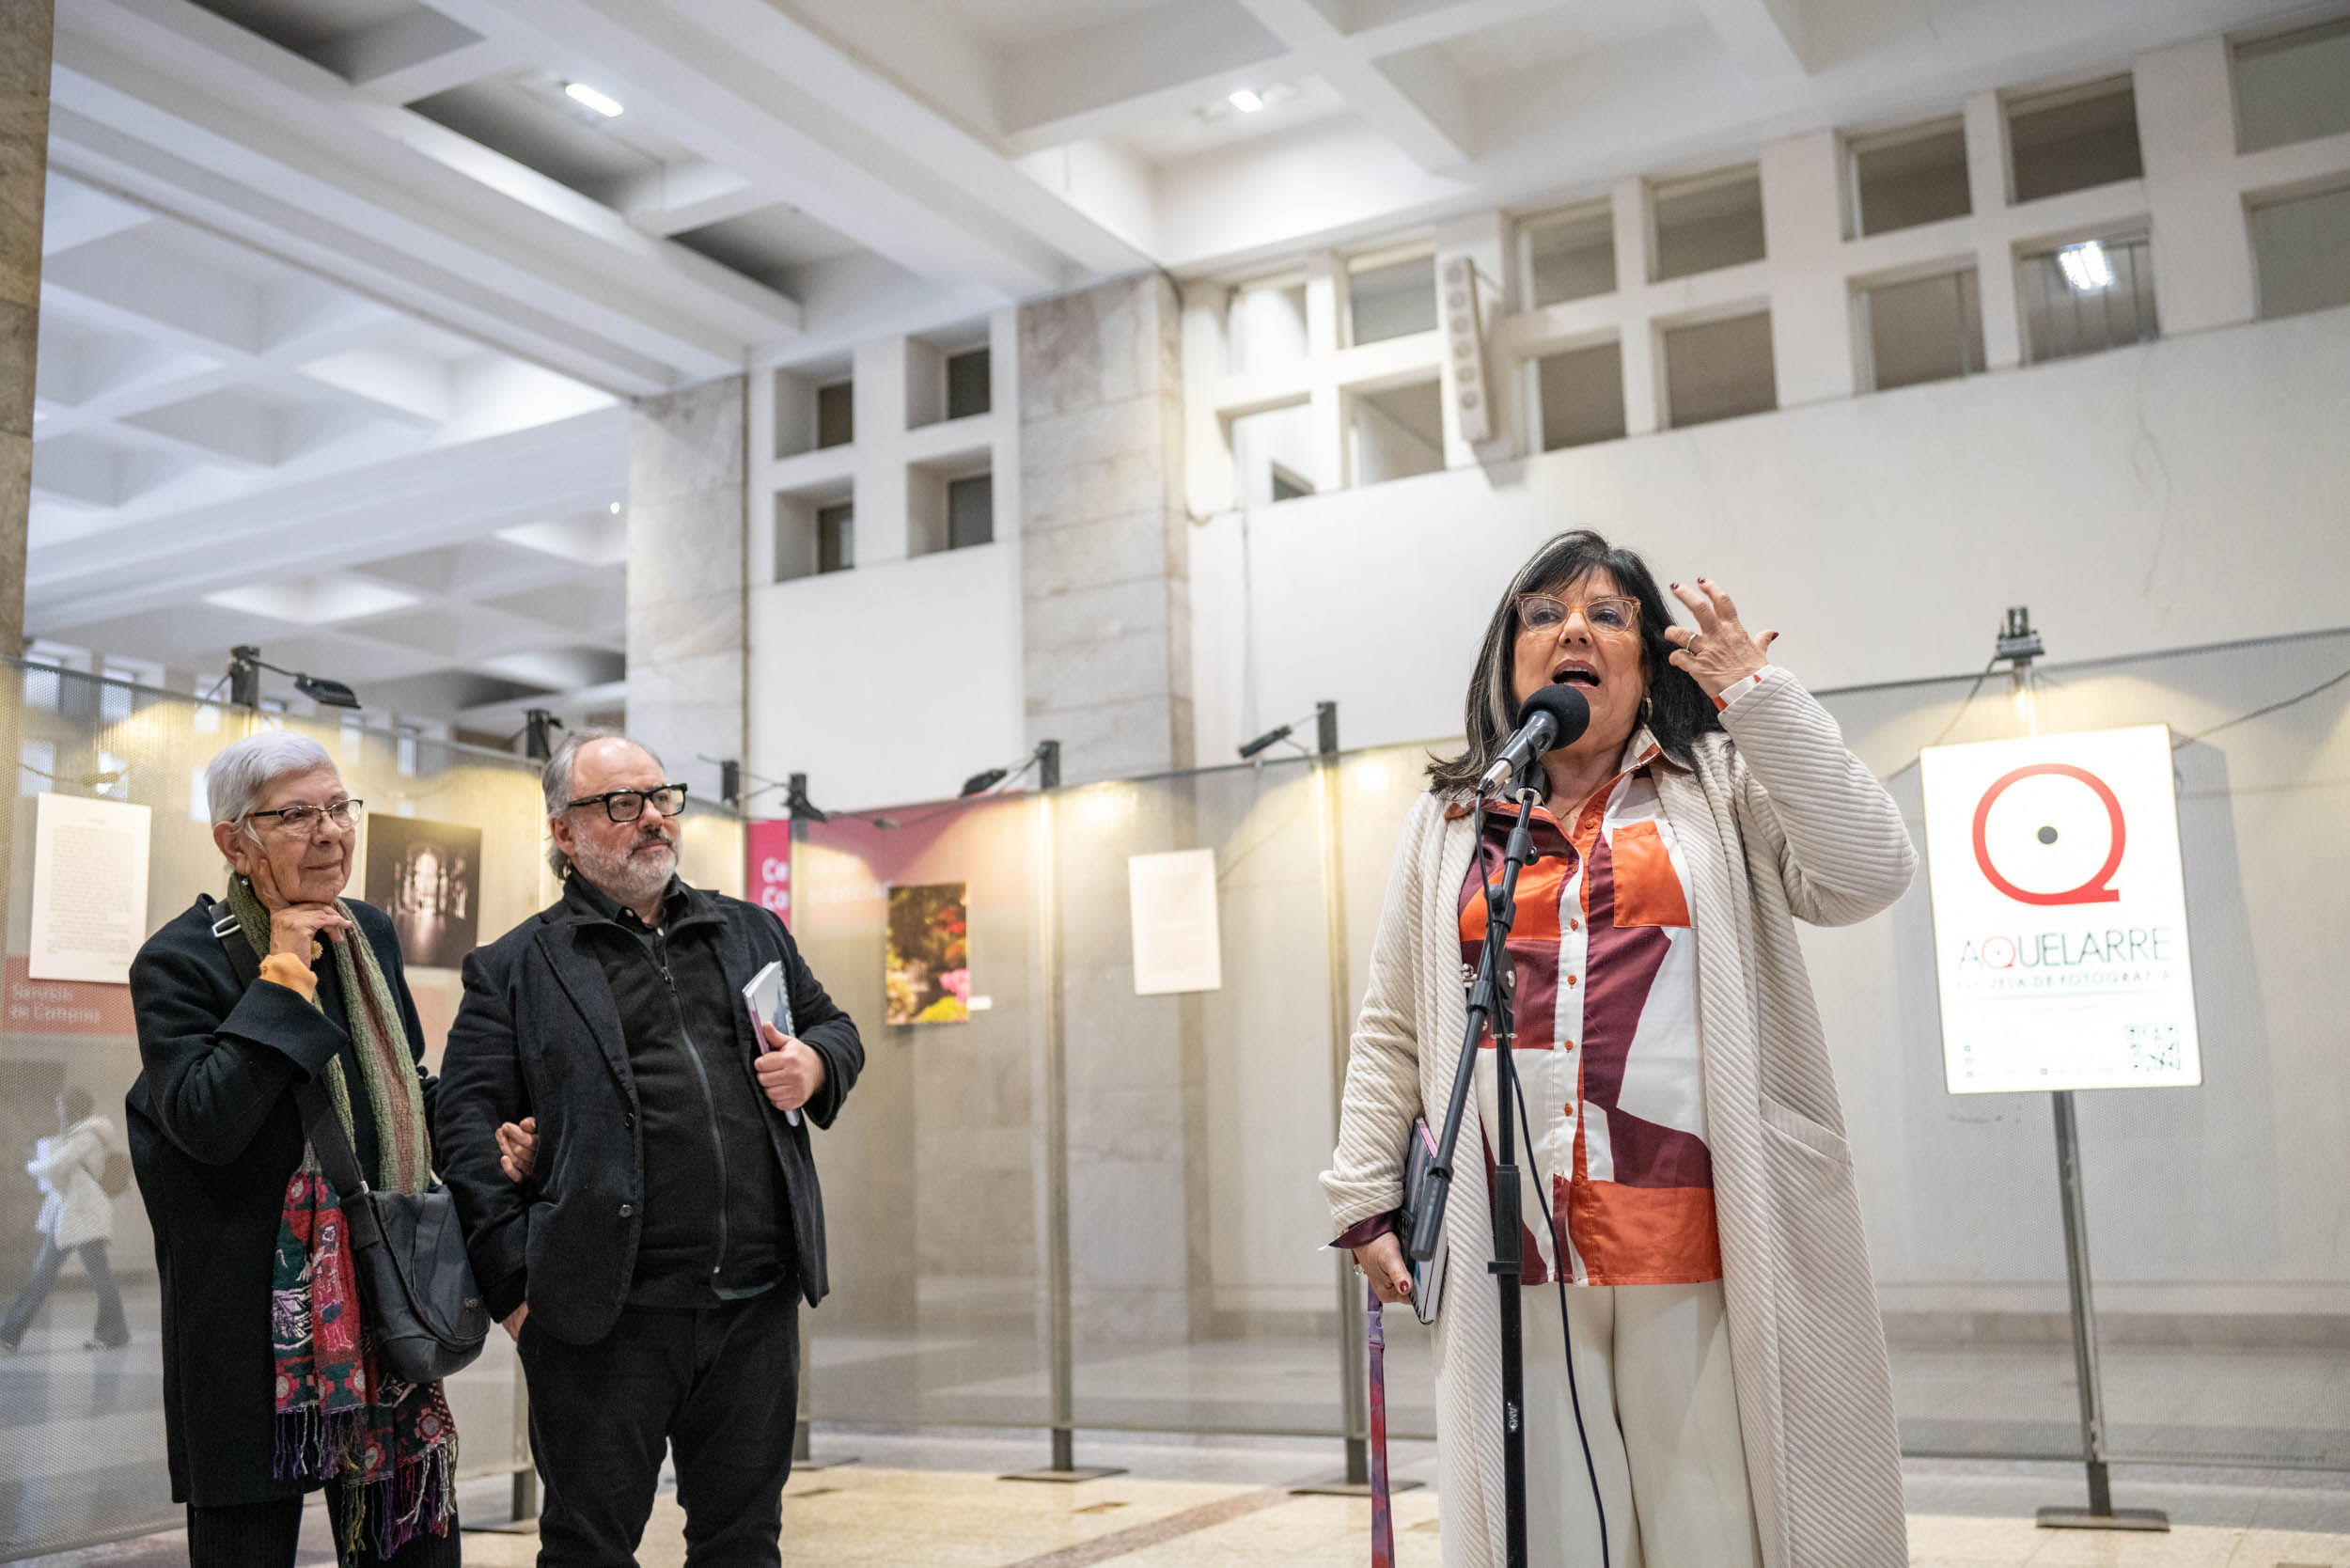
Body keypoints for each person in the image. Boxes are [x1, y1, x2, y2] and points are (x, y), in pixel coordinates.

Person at [1323, 531, 1917, 1568]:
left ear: (1645, 662)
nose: (1573, 633)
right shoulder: (1453, 819)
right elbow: (1396, 1021)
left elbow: (1867, 873)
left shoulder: (1717, 787)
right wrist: (1362, 1190)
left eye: (1607, 615)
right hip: (1515, 1250)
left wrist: (1759, 700)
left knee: (1708, 1538)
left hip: (1697, 1249)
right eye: (1543, 614)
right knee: (1548, 1541)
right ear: (1509, 661)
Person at [438, 731, 865, 1568]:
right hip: (605, 1319)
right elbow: (466, 1131)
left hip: (754, 1303)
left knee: (743, 1542)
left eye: (661, 798)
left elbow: (835, 1028)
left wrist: (814, 1064)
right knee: (589, 1548)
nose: (653, 821)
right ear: (564, 832)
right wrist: (517, 1296)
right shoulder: (516, 966)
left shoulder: (749, 931)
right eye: (622, 805)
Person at [125, 732, 467, 1567]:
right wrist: (282, 980)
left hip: (380, 1290)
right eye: (294, 815)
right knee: (247, 1542)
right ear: (231, 840)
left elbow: (404, 1082)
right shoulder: (180, 960)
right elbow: (204, 1119)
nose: (330, 831)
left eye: (339, 807)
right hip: (250, 1315)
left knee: (411, 1546)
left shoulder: (369, 933)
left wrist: (477, 1129)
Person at [0, 1087, 130, 1352]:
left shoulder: (89, 1136)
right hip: (72, 1216)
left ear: (73, 1107)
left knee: (90, 1276)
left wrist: (30, 1165)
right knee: (48, 1274)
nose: (58, 1109)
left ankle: (113, 1333)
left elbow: (58, 1165)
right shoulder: (77, 1135)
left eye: (60, 1104)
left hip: (85, 1216)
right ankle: (10, 1333)